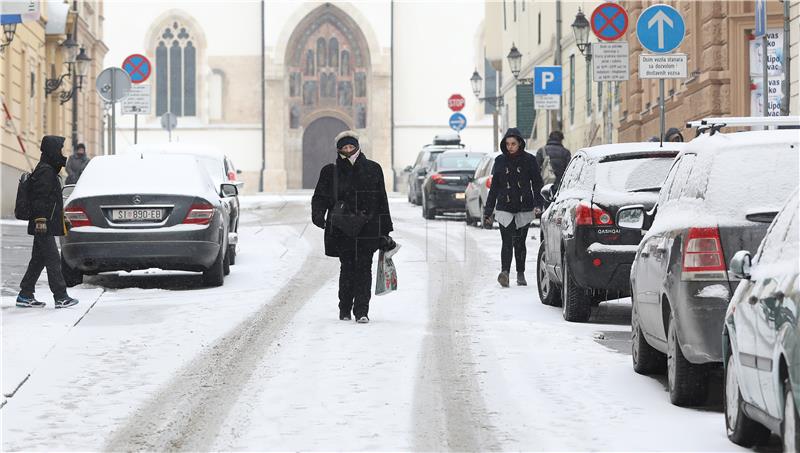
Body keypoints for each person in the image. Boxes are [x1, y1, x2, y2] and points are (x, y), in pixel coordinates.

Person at [311, 130, 394, 323]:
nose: (348, 150)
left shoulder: (373, 168)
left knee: (364, 268)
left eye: (351, 146)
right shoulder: (330, 171)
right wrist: (318, 215)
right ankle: (345, 308)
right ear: (339, 149)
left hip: (368, 227)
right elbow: (320, 196)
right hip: (342, 228)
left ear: (357, 146)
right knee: (347, 267)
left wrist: (385, 229)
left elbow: (382, 199)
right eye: (344, 147)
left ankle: (362, 311)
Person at [17, 136, 79, 309]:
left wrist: (61, 218)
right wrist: (41, 222)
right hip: (43, 225)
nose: (61, 153)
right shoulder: (45, 171)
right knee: (53, 260)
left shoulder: (48, 169)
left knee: (38, 260)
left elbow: (51, 201)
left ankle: (25, 294)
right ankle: (60, 296)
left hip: (46, 224)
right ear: (52, 150)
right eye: (59, 149)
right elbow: (40, 200)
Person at [484, 128, 545, 288]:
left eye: (513, 144)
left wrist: (539, 204)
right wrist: (488, 211)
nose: (510, 146)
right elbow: (494, 188)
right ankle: (505, 272)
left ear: (520, 144)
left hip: (524, 207)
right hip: (504, 206)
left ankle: (520, 272)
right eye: (508, 144)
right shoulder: (499, 161)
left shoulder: (529, 160)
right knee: (506, 241)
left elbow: (537, 183)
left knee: (520, 242)